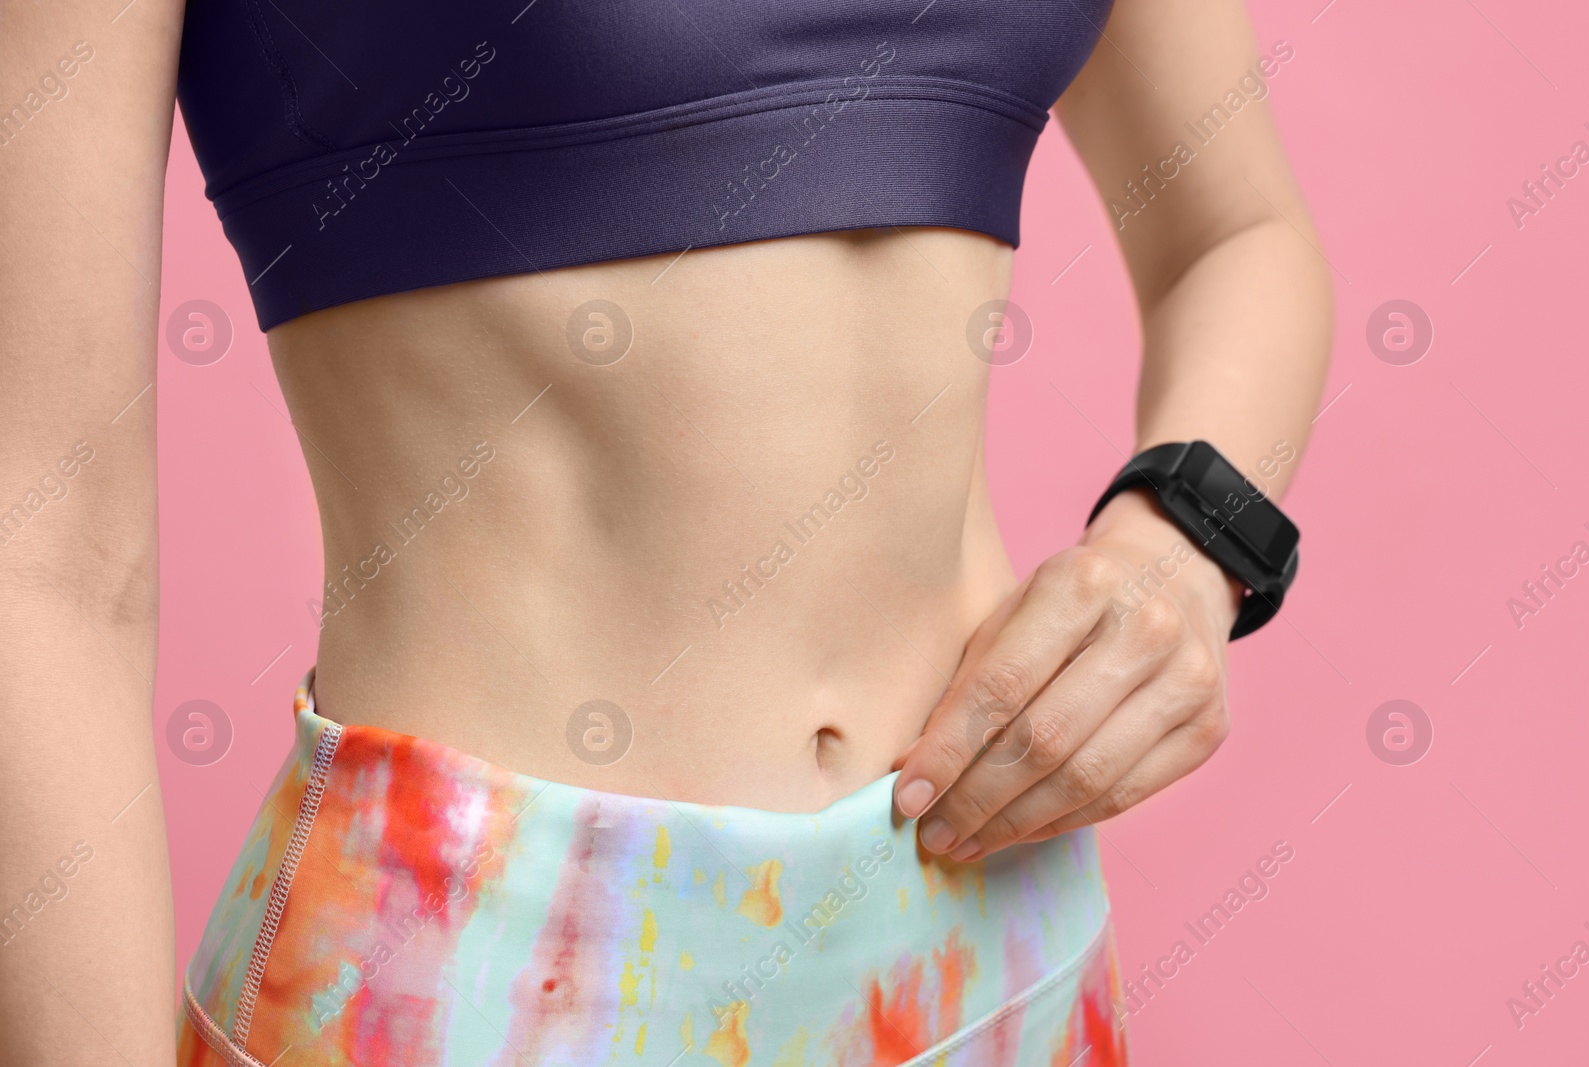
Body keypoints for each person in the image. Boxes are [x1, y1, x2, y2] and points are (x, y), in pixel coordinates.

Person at [0, 0, 1330, 1062]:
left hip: (992, 946)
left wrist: (1184, 546)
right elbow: (44, 551)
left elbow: (1239, 229)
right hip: (487, 978)